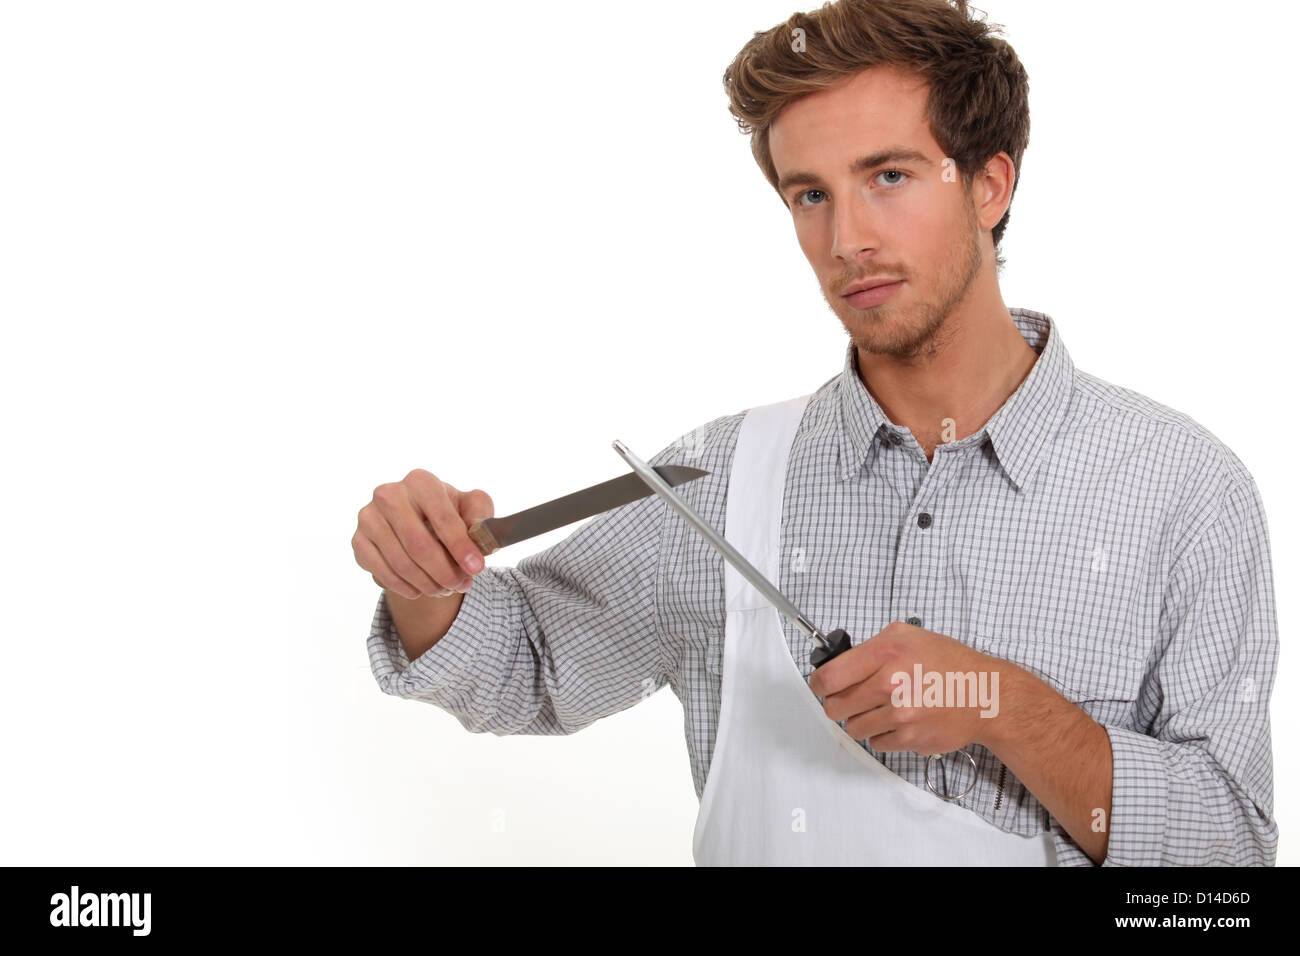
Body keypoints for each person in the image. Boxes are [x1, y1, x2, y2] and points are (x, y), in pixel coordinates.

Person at [353, 0, 1278, 865]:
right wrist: (423, 575)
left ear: (990, 184)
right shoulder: (721, 479)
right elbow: (525, 664)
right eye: (810, 195)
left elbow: (1227, 864)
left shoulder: (1183, 489)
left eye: (888, 176)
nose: (847, 241)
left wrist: (1003, 707)